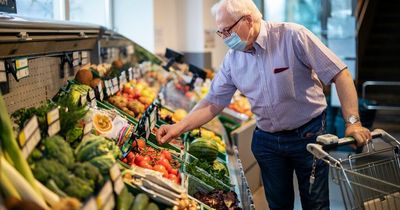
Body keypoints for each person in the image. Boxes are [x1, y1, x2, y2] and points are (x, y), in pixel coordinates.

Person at [156, 0, 372, 209]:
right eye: (220, 33)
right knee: (278, 204)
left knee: (315, 203)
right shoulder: (233, 60)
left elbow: (339, 73)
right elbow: (213, 100)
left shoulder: (293, 36)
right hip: (267, 141)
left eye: (227, 30)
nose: (225, 38)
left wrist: (352, 122)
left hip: (308, 135)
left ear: (247, 20)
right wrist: (178, 127)